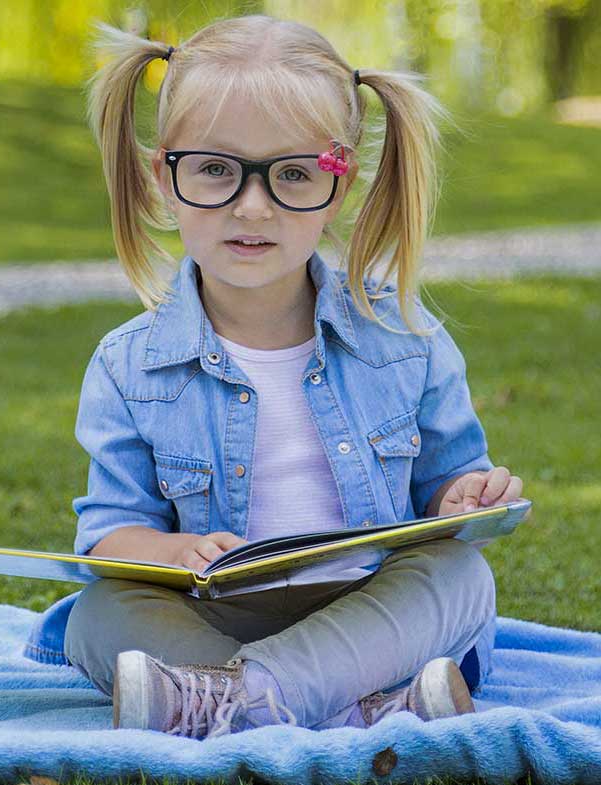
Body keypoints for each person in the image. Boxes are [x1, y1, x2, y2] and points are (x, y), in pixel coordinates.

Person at [61, 14, 525, 739]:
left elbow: (447, 494)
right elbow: (110, 536)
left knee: (460, 577)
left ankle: (231, 704)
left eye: (293, 174)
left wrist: (464, 493)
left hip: (373, 614)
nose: (253, 206)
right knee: (94, 615)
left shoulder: (405, 340)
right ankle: (360, 710)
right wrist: (174, 553)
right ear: (165, 178)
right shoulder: (129, 364)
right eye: (215, 168)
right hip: (220, 615)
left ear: (335, 186)